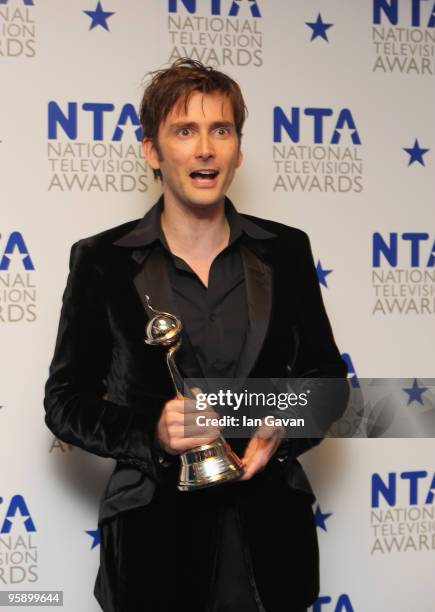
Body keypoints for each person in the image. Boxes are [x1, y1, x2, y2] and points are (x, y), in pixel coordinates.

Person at [44, 58, 348, 612]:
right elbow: (65, 403)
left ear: (237, 149)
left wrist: (283, 425)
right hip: (152, 549)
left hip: (270, 547)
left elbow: (330, 382)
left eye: (221, 130)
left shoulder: (286, 251)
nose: (205, 148)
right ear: (153, 152)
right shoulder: (101, 262)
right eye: (185, 131)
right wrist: (152, 432)